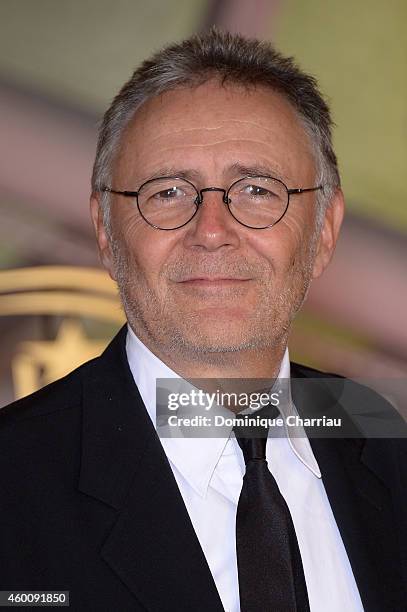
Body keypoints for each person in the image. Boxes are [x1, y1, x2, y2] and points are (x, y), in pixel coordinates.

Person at [0, 29, 405, 612]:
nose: (212, 230)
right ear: (106, 234)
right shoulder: (12, 484)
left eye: (258, 190)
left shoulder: (381, 435)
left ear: (324, 230)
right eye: (167, 192)